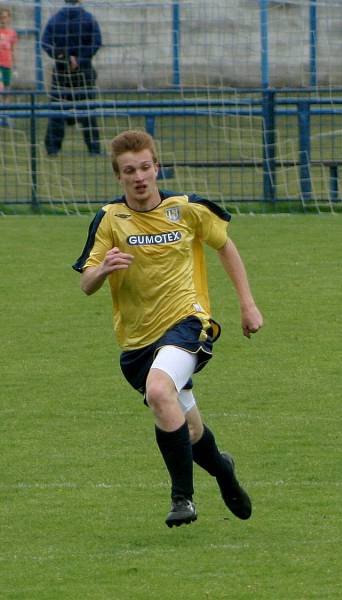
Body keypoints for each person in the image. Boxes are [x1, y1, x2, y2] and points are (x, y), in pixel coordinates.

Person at [73, 130, 264, 527]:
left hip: (188, 323)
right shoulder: (109, 219)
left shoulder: (187, 209)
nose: (139, 176)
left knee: (161, 392)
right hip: (138, 343)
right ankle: (222, 469)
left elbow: (225, 245)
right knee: (187, 427)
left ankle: (183, 498)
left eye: (145, 167)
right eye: (130, 171)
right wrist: (102, 270)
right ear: (119, 177)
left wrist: (247, 304)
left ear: (156, 168)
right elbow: (86, 282)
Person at [41, 0, 102, 156]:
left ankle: (52, 149)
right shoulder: (88, 18)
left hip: (61, 71)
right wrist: (79, 59)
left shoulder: (55, 19)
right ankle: (94, 149)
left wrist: (63, 57)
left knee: (57, 109)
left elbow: (45, 43)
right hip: (84, 71)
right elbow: (96, 42)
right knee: (87, 109)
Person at [0, 7, 17, 127]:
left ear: (9, 18)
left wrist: (15, 67)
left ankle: (6, 116)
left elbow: (13, 50)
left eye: (5, 17)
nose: (3, 19)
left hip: (8, 65)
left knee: (7, 91)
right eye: (1, 17)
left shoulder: (12, 33)